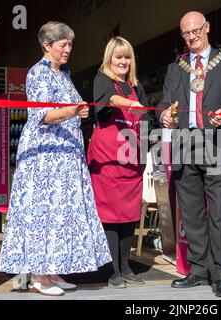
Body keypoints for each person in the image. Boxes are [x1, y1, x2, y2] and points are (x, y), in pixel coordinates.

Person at [0, 21, 112, 296]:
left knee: (60, 213)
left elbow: (67, 108)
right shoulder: (38, 73)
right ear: (46, 46)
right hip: (46, 158)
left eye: (70, 44)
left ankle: (51, 271)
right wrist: (73, 111)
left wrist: (77, 111)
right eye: (63, 45)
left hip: (65, 156)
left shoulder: (63, 74)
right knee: (44, 212)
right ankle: (38, 274)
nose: (68, 49)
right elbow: (42, 115)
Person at [157, 11, 221, 298]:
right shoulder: (176, 67)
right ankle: (197, 269)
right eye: (186, 33)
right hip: (185, 142)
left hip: (217, 141)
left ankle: (220, 274)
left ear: (206, 28)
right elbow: (163, 105)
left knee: (218, 211)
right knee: (192, 212)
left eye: (195, 31)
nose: (191, 38)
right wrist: (165, 118)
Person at [87, 36, 148, 289]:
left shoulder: (138, 87)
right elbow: (111, 99)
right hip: (107, 160)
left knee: (129, 216)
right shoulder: (102, 80)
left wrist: (143, 158)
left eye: (127, 57)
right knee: (110, 216)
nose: (123, 61)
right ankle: (113, 271)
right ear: (110, 58)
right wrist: (132, 104)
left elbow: (143, 124)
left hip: (131, 161)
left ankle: (126, 266)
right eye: (118, 57)